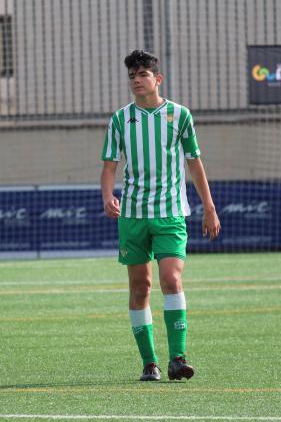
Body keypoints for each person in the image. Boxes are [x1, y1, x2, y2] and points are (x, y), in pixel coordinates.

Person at [100, 50, 221, 381]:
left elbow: (194, 163)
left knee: (171, 279)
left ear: (158, 79)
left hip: (170, 213)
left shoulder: (180, 115)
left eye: (142, 75)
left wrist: (208, 207)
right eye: (132, 76)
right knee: (141, 288)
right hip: (134, 215)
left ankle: (178, 359)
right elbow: (109, 165)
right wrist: (108, 195)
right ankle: (150, 362)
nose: (136, 81)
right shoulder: (120, 119)